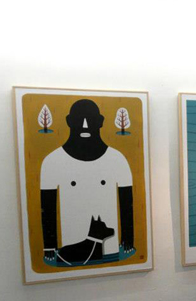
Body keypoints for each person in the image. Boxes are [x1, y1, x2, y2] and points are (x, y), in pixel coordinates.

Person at [40, 99, 134, 265]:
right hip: (70, 248)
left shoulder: (117, 159)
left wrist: (128, 239)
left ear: (100, 121)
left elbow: (127, 203)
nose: (84, 125)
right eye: (79, 119)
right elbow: (47, 208)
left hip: (110, 249)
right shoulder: (52, 161)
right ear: (69, 121)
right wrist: (49, 246)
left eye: (90, 119)